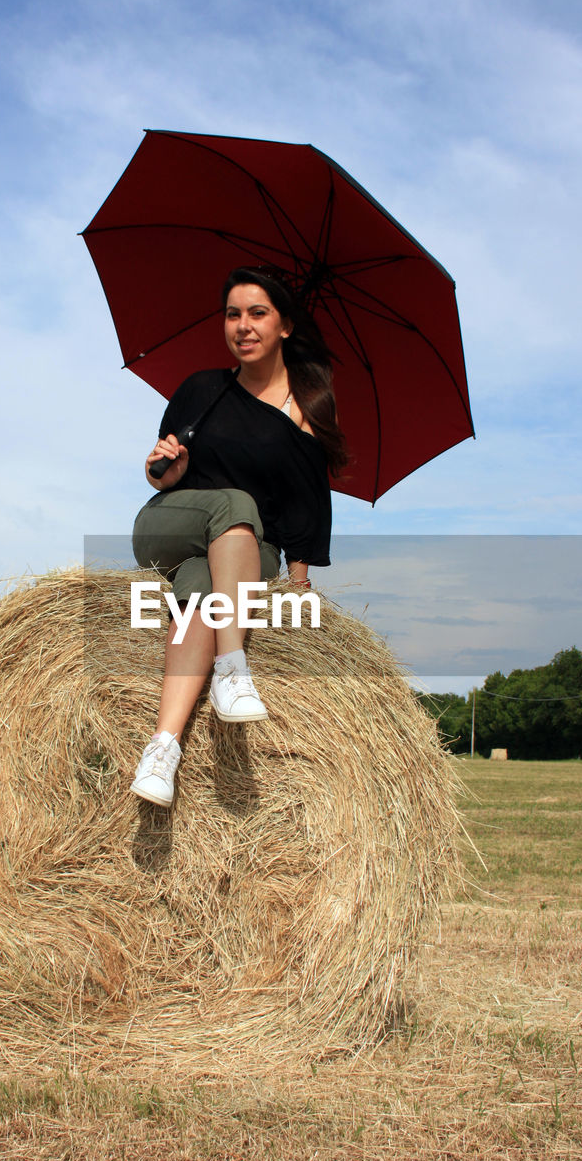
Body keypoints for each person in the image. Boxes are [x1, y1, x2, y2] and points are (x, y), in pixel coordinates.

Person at [129, 265, 347, 806]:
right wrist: (166, 465)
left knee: (203, 589)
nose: (242, 326)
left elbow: (308, 506)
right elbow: (162, 475)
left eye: (257, 313)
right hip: (172, 524)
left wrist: (297, 580)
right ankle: (232, 667)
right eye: (233, 314)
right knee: (236, 504)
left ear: (285, 327)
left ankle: (163, 749)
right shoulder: (204, 389)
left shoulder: (308, 414)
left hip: (244, 555)